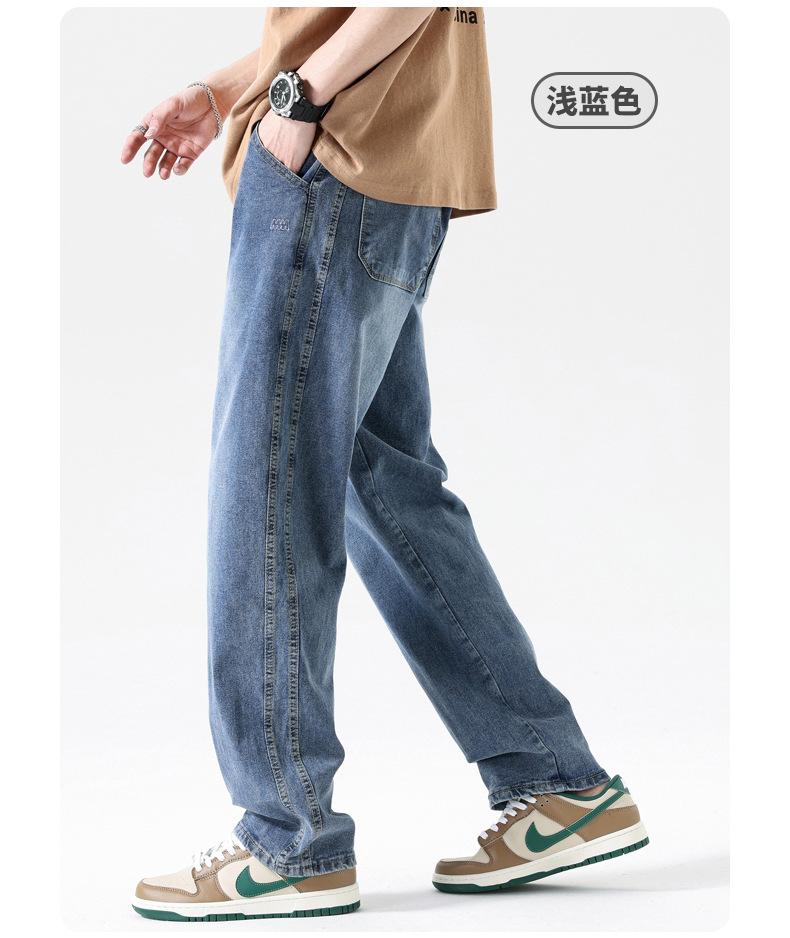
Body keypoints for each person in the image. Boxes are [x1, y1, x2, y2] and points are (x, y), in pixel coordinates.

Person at [121, 7, 648, 922]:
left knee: (267, 490)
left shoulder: (315, 118)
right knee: (383, 485)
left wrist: (297, 99)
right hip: (384, 171)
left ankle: (288, 839)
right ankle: (558, 781)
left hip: (333, 162)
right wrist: (231, 89)